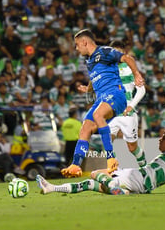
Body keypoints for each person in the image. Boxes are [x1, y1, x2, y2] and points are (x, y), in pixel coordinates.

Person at [61, 29, 144, 178]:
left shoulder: (105, 51)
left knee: (98, 115)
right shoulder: (90, 61)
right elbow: (95, 79)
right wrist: (89, 89)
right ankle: (75, 164)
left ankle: (111, 159)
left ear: (85, 42)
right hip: (101, 99)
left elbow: (127, 58)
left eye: (77, 45)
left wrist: (137, 74)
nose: (76, 48)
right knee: (85, 127)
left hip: (116, 95)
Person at [38, 129, 165, 195]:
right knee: (89, 183)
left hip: (135, 178)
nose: (160, 139)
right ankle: (51, 188)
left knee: (95, 173)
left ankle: (115, 188)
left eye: (164, 138)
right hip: (138, 183)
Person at [108, 40, 147, 168]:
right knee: (106, 141)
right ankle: (114, 170)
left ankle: (144, 168)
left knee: (132, 147)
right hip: (112, 111)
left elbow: (142, 90)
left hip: (127, 112)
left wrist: (132, 105)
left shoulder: (130, 69)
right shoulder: (106, 69)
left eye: (120, 51)